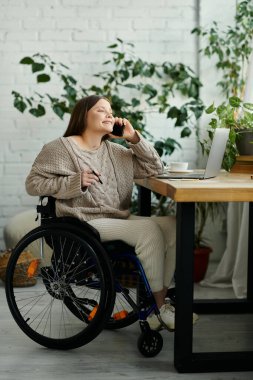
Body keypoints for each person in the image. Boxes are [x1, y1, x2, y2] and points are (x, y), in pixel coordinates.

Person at [25, 95, 198, 331]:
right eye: (101, 110)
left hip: (117, 218)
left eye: (111, 111)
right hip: (84, 221)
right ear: (83, 115)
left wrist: (133, 138)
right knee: (148, 229)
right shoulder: (61, 148)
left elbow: (155, 168)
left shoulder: (117, 152)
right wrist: (75, 182)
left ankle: (159, 304)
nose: (110, 114)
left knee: (174, 224)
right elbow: (33, 184)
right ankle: (160, 308)